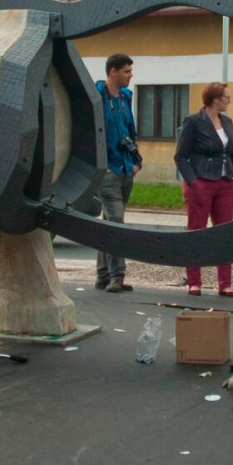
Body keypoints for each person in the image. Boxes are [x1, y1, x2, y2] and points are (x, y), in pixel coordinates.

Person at [175, 82, 233, 297]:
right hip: (201, 182)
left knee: (225, 234)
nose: (229, 101)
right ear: (215, 99)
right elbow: (180, 156)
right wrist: (193, 181)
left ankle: (225, 284)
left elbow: (232, 154)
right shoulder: (194, 121)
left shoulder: (227, 122)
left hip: (226, 183)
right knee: (197, 231)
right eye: (226, 97)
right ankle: (194, 282)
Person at [92, 53, 143, 293]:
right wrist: (99, 164)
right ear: (113, 71)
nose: (131, 75)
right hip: (107, 170)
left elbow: (130, 131)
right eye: (126, 71)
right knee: (116, 222)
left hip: (125, 168)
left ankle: (103, 275)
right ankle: (117, 276)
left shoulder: (125, 97)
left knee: (108, 224)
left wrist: (136, 160)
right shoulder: (97, 96)